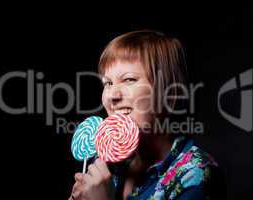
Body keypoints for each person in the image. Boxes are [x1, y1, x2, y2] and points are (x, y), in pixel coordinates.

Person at [69, 30, 226, 200]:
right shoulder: (101, 161)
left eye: (129, 79)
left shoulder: (196, 174)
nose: (112, 96)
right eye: (108, 83)